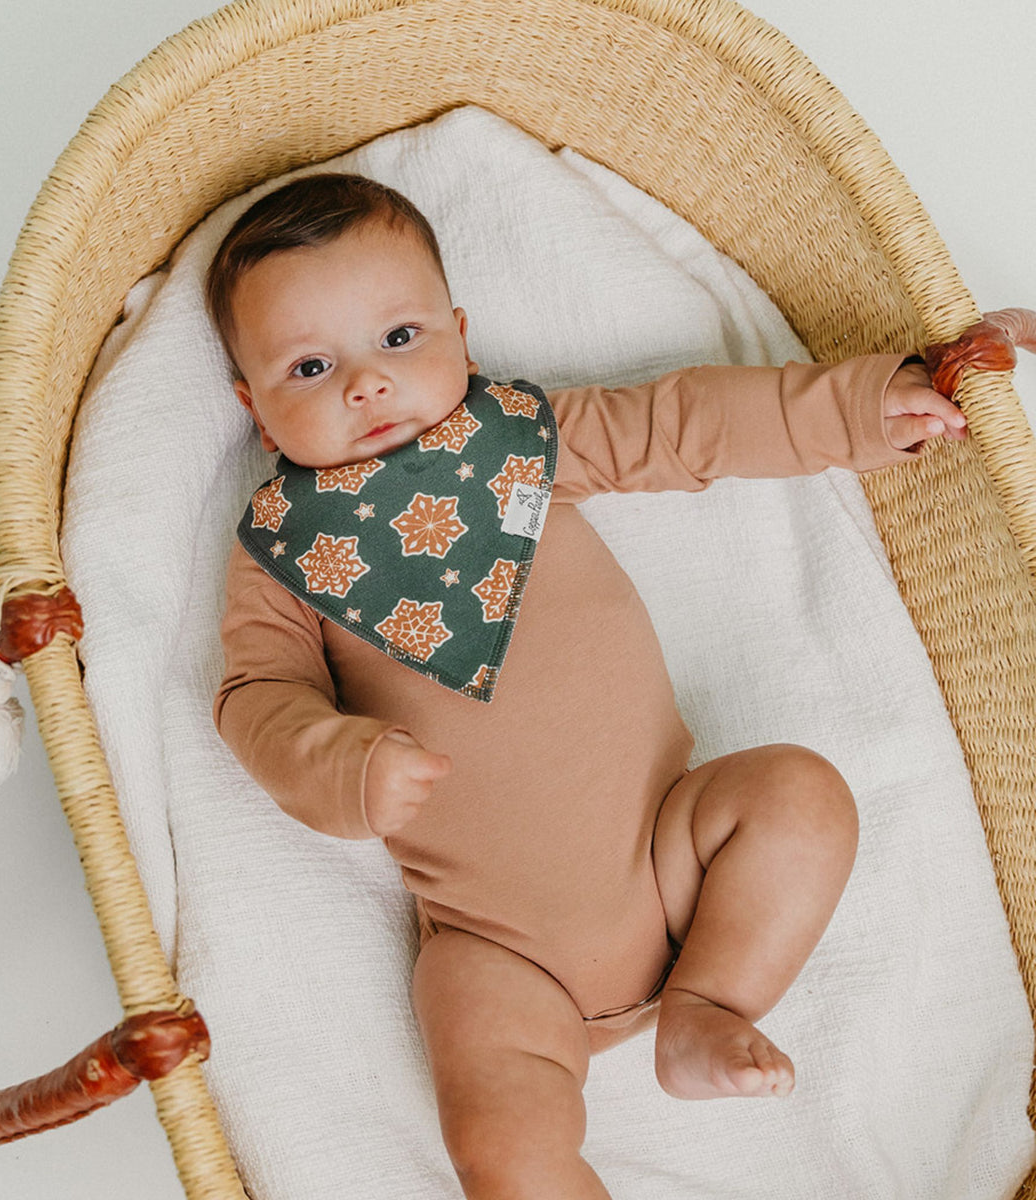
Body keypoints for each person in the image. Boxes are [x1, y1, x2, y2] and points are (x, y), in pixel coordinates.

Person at [206, 172, 967, 1199]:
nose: (366, 385)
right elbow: (256, 695)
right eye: (310, 365)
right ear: (255, 409)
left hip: (676, 854)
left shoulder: (520, 444)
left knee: (801, 796)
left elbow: (686, 423)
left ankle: (708, 1004)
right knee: (501, 1146)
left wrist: (863, 410)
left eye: (397, 339)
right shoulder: (284, 554)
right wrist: (342, 767)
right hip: (496, 951)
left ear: (461, 339)